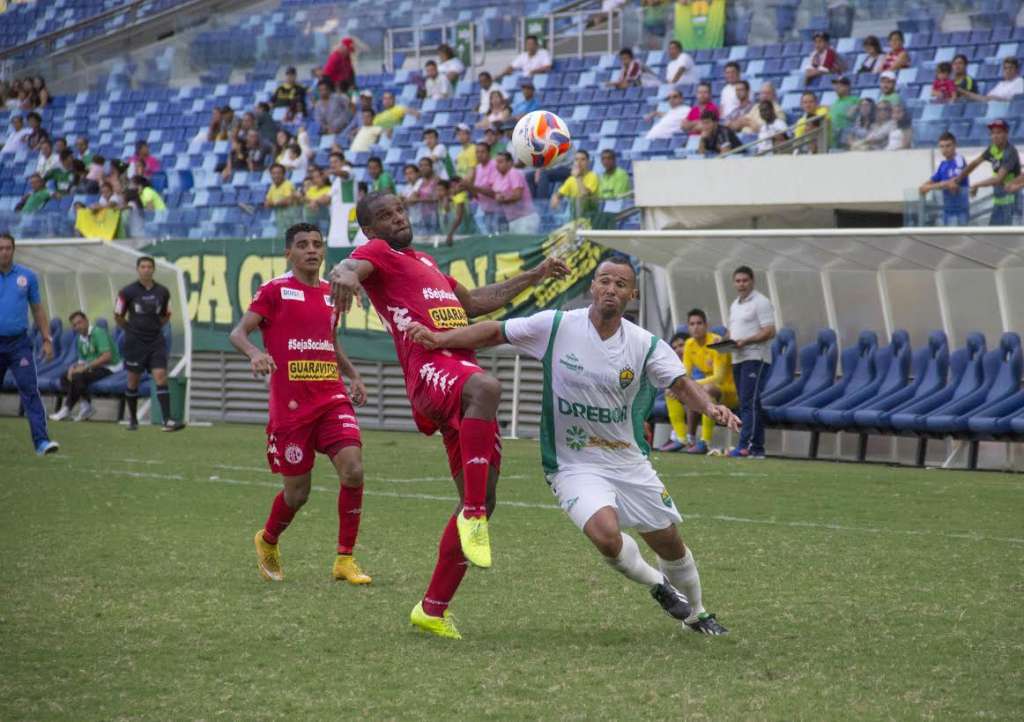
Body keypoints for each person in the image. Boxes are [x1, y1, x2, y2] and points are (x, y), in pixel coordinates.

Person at [405, 257, 737, 636]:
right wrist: (439, 339)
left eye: (620, 284)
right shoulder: (557, 325)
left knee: (669, 543)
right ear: (593, 287)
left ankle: (697, 613)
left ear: (633, 293)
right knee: (606, 535)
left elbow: (680, 384)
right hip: (572, 462)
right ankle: (659, 586)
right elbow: (495, 331)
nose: (611, 289)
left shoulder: (645, 345)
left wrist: (710, 406)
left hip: (627, 460)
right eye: (604, 281)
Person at [328, 192, 571, 639]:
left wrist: (535, 274)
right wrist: (341, 275)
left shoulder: (426, 262)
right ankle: (473, 516)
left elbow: (475, 303)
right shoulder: (377, 253)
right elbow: (349, 268)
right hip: (430, 370)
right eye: (385, 215)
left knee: (485, 493)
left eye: (400, 210)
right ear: (369, 229)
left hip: (458, 374)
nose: (398, 218)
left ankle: (432, 609)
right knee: (488, 387)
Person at [227, 222, 371, 584]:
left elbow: (330, 342)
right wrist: (254, 353)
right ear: (288, 253)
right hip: (291, 408)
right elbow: (238, 332)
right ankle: (269, 539)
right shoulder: (274, 291)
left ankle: (345, 559)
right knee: (297, 493)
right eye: (303, 245)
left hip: (331, 398)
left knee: (353, 470)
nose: (312, 250)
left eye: (318, 245)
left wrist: (353, 375)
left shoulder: (331, 293)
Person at [0, 232, 59, 455]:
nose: (4, 252)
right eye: (0, 248)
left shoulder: (27, 277)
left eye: (8, 248)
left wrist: (47, 339)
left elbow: (37, 310)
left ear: (13, 250)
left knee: (30, 390)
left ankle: (42, 442)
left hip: (19, 345)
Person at [114, 256, 183, 432]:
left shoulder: (163, 292)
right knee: (133, 381)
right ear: (138, 270)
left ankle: (167, 420)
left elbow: (167, 314)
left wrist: (154, 327)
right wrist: (131, 329)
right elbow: (118, 315)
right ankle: (133, 420)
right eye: (143, 267)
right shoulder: (126, 292)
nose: (146, 269)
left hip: (156, 341)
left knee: (160, 376)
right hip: (135, 342)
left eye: (149, 267)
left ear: (153, 269)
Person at [726, 266, 775, 459]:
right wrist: (723, 341)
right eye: (738, 281)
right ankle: (757, 448)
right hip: (737, 358)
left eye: (745, 280)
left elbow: (769, 330)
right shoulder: (735, 304)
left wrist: (746, 341)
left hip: (755, 357)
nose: (741, 284)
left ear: (752, 281)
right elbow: (733, 332)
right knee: (748, 402)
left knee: (749, 402)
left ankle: (746, 445)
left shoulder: (761, 302)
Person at [680, 309, 738, 454]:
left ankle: (705, 441)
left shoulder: (717, 342)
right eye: (692, 324)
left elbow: (719, 377)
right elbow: (685, 372)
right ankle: (686, 439)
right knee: (673, 391)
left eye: (699, 323)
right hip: (707, 387)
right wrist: (680, 385)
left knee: (704, 389)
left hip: (729, 390)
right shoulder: (689, 344)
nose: (695, 327)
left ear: (706, 325)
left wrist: (692, 384)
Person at [50, 310, 121, 422]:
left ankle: (67, 408)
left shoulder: (98, 332)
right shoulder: (79, 339)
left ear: (86, 321)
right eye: (74, 325)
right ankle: (86, 404)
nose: (78, 326)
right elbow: (82, 360)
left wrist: (86, 367)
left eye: (80, 322)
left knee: (78, 376)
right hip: (94, 366)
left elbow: (107, 356)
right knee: (65, 377)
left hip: (109, 367)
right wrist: (72, 368)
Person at [954, 119, 1021, 226]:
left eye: (999, 132)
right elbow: (975, 163)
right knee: (993, 235)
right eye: (992, 133)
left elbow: (998, 179)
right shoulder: (992, 149)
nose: (995, 136)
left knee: (1010, 238)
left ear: (1006, 134)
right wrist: (959, 178)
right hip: (998, 201)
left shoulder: (1010, 152)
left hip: (1012, 203)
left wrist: (977, 184)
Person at [919, 132, 969, 226]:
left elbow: (953, 183)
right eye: (941, 146)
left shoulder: (959, 160)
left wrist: (931, 187)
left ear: (955, 145)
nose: (945, 149)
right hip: (947, 211)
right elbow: (924, 186)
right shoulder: (943, 165)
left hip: (960, 212)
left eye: (948, 146)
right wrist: (930, 186)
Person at [491, 151, 539, 233]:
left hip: (526, 218)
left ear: (509, 163)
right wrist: (498, 197)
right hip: (512, 219)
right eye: (497, 162)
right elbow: (496, 194)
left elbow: (517, 195)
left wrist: (502, 199)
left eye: (501, 162)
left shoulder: (514, 172)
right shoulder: (497, 176)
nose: (497, 165)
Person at [550, 150, 599, 218]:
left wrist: (578, 177)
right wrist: (555, 197)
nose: (579, 163)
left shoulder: (593, 176)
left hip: (590, 218)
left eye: (582, 159)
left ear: (588, 162)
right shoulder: (571, 179)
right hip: (574, 218)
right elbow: (558, 194)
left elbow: (584, 195)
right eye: (576, 160)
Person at [959, 57, 1023, 102]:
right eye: (1005, 68)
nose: (1008, 71)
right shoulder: (1001, 84)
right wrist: (966, 94)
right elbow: (986, 99)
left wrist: (994, 98)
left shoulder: (1020, 81)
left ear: (1017, 70)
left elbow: (1015, 101)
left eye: (1011, 68)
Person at [266, 163, 300, 234]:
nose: (276, 176)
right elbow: (267, 203)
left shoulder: (288, 184)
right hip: (280, 221)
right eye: (273, 173)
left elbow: (288, 201)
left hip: (292, 221)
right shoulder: (272, 187)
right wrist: (277, 202)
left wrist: (274, 203)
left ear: (284, 174)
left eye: (278, 173)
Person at [828, 76, 859, 144]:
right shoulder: (835, 102)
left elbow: (852, 116)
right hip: (833, 138)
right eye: (836, 84)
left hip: (846, 137)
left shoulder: (855, 100)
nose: (837, 87)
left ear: (847, 87)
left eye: (840, 85)